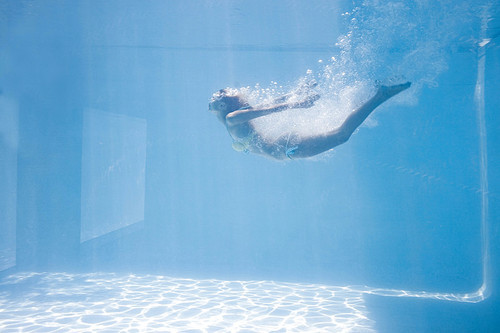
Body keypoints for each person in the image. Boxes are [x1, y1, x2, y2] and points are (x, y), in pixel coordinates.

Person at [209, 81, 411, 160]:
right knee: (340, 135)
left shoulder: (232, 118)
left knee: (341, 135)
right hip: (285, 145)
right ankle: (373, 95)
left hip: (284, 147)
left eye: (215, 99)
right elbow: (268, 105)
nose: (211, 102)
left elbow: (267, 110)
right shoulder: (234, 118)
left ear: (223, 105)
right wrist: (294, 94)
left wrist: (297, 103)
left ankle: (380, 95)